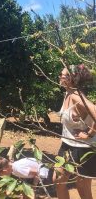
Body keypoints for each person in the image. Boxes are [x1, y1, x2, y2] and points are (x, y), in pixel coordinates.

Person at [54, 64, 96, 199]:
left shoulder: (76, 96)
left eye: (63, 75)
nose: (59, 77)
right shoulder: (68, 93)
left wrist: (90, 133)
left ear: (73, 79)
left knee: (82, 187)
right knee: (58, 180)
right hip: (67, 144)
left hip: (83, 148)